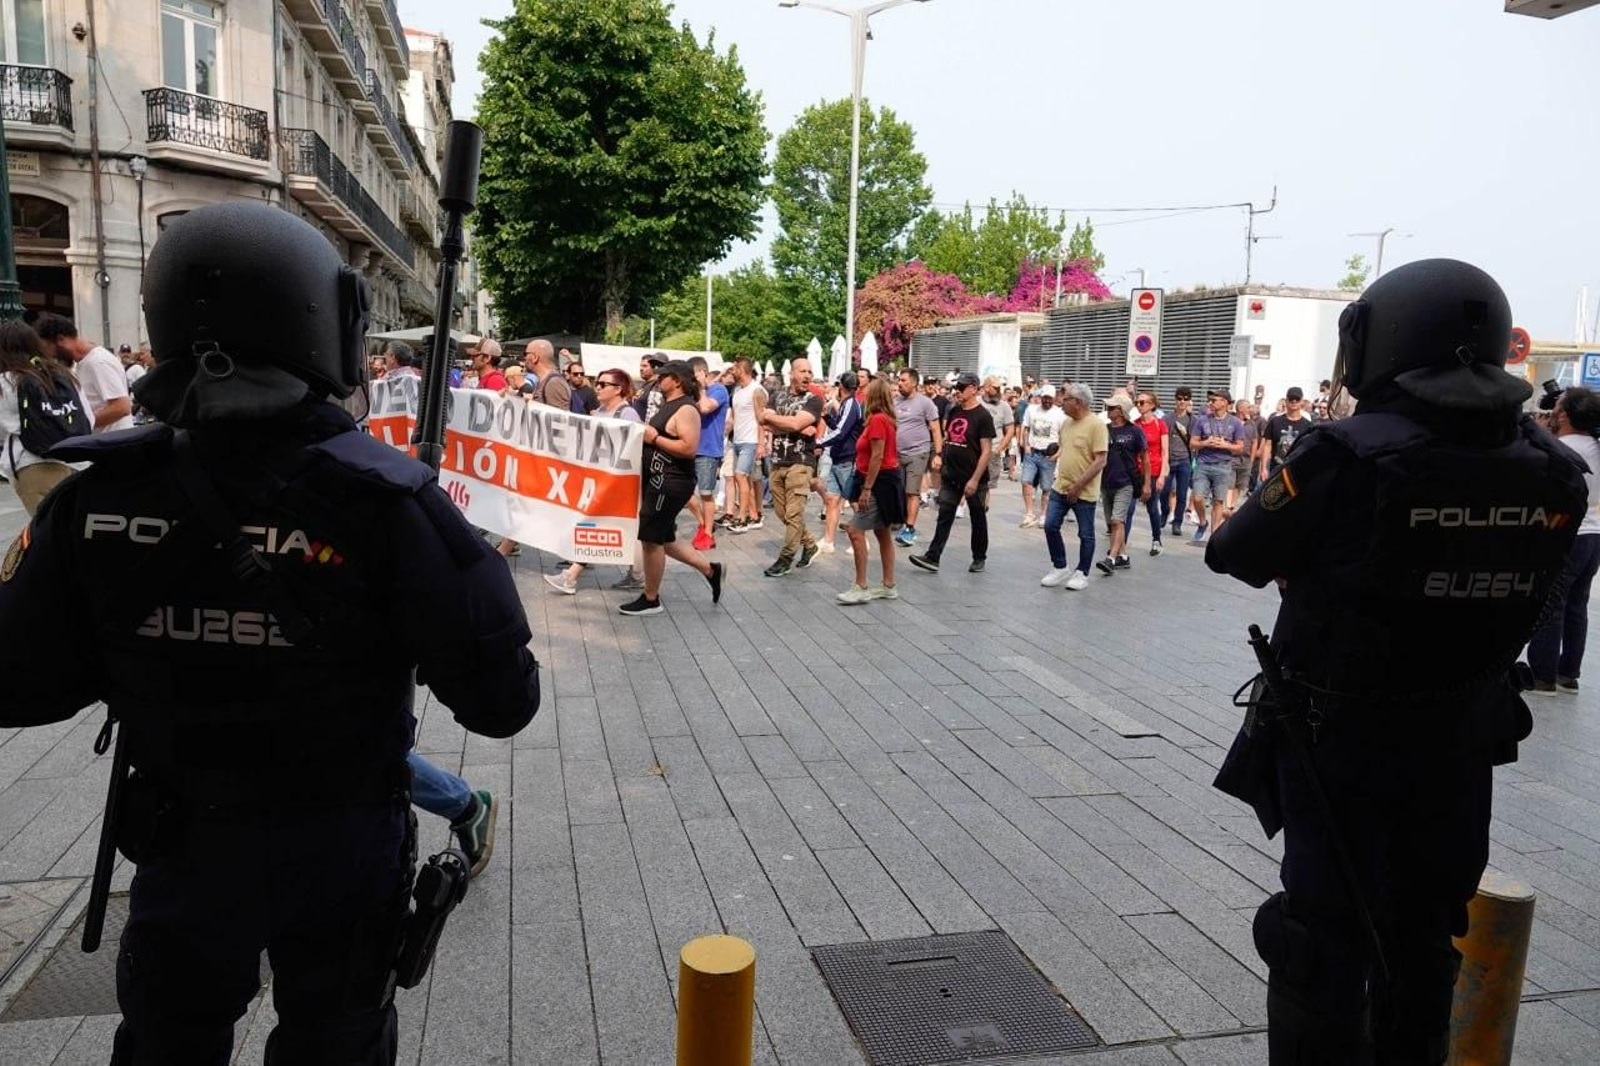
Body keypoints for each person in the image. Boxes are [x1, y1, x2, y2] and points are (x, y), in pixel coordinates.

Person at [0, 201, 541, 1064]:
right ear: (324, 324)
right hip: (341, 848)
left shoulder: (92, 500)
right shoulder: (387, 501)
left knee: (167, 1044)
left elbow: (20, 684)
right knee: (337, 1042)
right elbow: (503, 701)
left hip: (182, 843)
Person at [1207, 259, 1586, 1064]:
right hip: (1461, 741)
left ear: (1377, 343)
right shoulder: (1554, 469)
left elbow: (1233, 551)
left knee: (1319, 938)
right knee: (1426, 934)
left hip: (1341, 742)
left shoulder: (1347, 454)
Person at [624, 360, 724, 616]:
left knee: (650, 538)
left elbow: (689, 448)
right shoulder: (669, 405)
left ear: (677, 380)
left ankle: (651, 598)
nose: (658, 380)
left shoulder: (686, 409)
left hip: (669, 481)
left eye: (663, 376)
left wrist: (655, 438)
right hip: (658, 480)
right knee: (664, 539)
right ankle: (710, 570)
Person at [1525, 385, 1600, 695]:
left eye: (1556, 408)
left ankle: (1542, 675)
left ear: (1565, 415)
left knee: (1550, 603)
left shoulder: (1562, 449)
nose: (1551, 412)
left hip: (1568, 533)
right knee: (1576, 605)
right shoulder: (1595, 446)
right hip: (1593, 534)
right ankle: (1568, 673)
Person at [546, 370, 647, 595]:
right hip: (598, 480)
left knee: (601, 524)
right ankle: (637, 575)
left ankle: (571, 576)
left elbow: (637, 446)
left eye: (603, 384)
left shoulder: (627, 413)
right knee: (620, 528)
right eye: (597, 383)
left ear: (618, 389)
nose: (597, 387)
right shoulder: (599, 412)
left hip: (620, 482)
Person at [0, 319, 89, 513]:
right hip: (77, 461)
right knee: (73, 522)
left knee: (50, 526)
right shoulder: (62, 374)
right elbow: (87, 417)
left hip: (34, 464)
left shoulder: (7, 381)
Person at [909, 372, 994, 574]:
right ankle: (933, 557)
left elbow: (986, 451)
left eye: (962, 387)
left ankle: (979, 557)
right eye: (957, 387)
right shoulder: (955, 410)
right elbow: (948, 436)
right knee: (944, 515)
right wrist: (940, 455)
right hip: (952, 475)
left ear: (974, 389)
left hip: (973, 477)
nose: (958, 391)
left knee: (977, 518)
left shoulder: (983, 416)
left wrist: (975, 479)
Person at [838, 376, 903, 604]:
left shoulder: (877, 420)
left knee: (855, 530)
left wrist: (867, 489)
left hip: (878, 482)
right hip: (887, 480)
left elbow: (877, 456)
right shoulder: (886, 419)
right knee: (882, 532)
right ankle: (888, 584)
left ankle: (861, 585)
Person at [759, 357, 824, 577]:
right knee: (782, 513)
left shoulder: (814, 400)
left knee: (794, 514)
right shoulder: (777, 395)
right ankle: (810, 544)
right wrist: (795, 426)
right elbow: (763, 421)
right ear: (792, 374)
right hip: (778, 461)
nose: (808, 375)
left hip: (801, 462)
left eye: (810, 371)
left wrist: (779, 421)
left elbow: (794, 423)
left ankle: (785, 559)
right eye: (803, 371)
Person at [1040, 383, 1106, 591]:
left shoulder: (1097, 425)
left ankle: (1082, 572)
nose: (1061, 402)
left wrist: (1078, 486)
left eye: (1066, 398)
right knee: (1050, 526)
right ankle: (1059, 566)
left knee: (1085, 534)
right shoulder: (1067, 423)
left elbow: (1100, 460)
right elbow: (1066, 448)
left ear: (1077, 402)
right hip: (1061, 487)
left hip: (1084, 491)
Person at [36, 314, 134, 433]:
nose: (51, 356)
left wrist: (82, 424)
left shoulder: (98, 362)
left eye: (48, 348)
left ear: (61, 339)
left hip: (114, 440)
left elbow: (122, 407)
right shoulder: (81, 363)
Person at [1096, 393, 1148, 574]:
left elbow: (1145, 458)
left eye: (1111, 408)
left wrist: (1147, 484)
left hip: (1125, 483)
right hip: (1106, 482)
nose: (1108, 410)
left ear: (1121, 411)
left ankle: (1110, 558)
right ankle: (1123, 556)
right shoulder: (1104, 429)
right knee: (1111, 523)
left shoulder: (1134, 431)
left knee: (1117, 520)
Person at [815, 371, 863, 555]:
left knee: (853, 501)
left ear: (841, 386)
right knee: (832, 500)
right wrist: (827, 417)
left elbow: (841, 432)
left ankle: (862, 541)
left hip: (847, 459)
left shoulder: (851, 404)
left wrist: (820, 442)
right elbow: (840, 428)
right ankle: (828, 540)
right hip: (839, 458)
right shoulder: (847, 403)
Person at [893, 368, 942, 547]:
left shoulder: (925, 403)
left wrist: (938, 454)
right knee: (898, 489)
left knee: (911, 491)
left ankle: (910, 528)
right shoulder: (895, 402)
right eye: (899, 380)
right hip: (897, 453)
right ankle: (900, 519)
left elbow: (935, 429)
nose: (900, 383)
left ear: (914, 383)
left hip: (917, 453)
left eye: (903, 380)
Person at [1188, 388, 1243, 543]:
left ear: (1224, 402)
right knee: (1197, 498)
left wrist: (1225, 445)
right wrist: (1205, 443)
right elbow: (1192, 443)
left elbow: (1240, 447)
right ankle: (1202, 522)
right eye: (1210, 400)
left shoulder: (1235, 422)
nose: (1210, 403)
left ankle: (1214, 536)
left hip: (1223, 465)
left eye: (1213, 400)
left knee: (1218, 501)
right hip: (1203, 464)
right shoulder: (1202, 420)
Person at [688, 356, 730, 552]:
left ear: (702, 372)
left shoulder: (718, 390)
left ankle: (708, 533)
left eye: (693, 375)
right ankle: (704, 523)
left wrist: (701, 388)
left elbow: (706, 408)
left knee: (706, 494)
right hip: (689, 448)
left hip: (708, 449)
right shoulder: (691, 393)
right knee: (684, 492)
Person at [722, 356, 767, 534]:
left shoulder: (757, 390)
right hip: (737, 440)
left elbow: (762, 419)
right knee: (743, 478)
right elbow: (733, 417)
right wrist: (725, 432)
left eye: (734, 368)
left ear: (742, 369)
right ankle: (753, 515)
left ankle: (742, 518)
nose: (731, 371)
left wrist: (761, 444)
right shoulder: (737, 390)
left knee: (741, 476)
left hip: (751, 440)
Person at [1019, 389, 1065, 528]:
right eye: (1045, 398)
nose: (1047, 401)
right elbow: (1026, 428)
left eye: (1050, 398)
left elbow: (1064, 436)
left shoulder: (1059, 414)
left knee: (1046, 487)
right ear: (1041, 397)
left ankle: (1044, 514)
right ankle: (1029, 513)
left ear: (1054, 398)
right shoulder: (1032, 409)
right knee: (1026, 481)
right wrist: (1025, 445)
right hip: (1032, 452)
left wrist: (1057, 455)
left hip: (1048, 454)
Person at [1133, 391, 1170, 555]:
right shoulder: (1135, 424)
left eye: (1142, 402)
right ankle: (1120, 545)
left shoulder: (1160, 424)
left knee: (1152, 507)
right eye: (1137, 402)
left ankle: (1156, 539)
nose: (1139, 405)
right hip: (1136, 471)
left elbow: (1165, 452)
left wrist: (1162, 475)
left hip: (1154, 470)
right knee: (1128, 509)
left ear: (1152, 405)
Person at [1260, 386, 1313, 480]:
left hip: (1297, 472)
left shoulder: (1308, 425)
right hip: (1276, 470)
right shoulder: (1275, 422)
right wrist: (1263, 468)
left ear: (1301, 401)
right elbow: (1267, 446)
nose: (1294, 401)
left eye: (1297, 399)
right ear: (1286, 401)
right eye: (1291, 399)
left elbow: (1309, 450)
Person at [1163, 387, 1195, 538]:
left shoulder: (1193, 420)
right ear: (1175, 399)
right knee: (1164, 491)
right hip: (1169, 460)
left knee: (1182, 494)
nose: (1182, 401)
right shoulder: (1167, 419)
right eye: (1180, 398)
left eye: (1185, 399)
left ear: (1189, 401)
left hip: (1185, 461)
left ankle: (1177, 522)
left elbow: (1196, 440)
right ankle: (1164, 512)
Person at [978, 376, 1016, 505]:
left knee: (987, 484)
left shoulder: (1004, 406)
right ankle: (961, 507)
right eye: (995, 388)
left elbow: (1010, 429)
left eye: (999, 388)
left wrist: (1000, 448)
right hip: (974, 448)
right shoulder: (977, 402)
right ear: (986, 387)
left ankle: (983, 508)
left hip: (992, 450)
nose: (999, 390)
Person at [634, 352, 666, 422]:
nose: (641, 369)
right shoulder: (646, 385)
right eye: (641, 366)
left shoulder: (656, 386)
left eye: (645, 366)